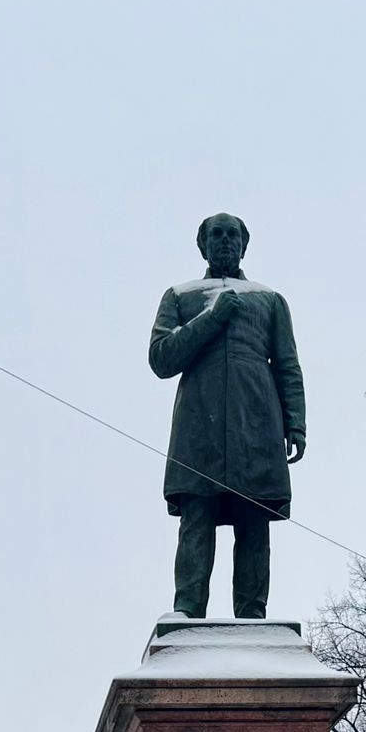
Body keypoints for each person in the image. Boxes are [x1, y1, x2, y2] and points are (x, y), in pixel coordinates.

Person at [148, 213, 306, 620]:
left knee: (254, 519)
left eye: (231, 234)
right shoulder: (182, 296)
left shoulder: (267, 299)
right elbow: (162, 359)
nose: (224, 241)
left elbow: (287, 365)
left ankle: (253, 616)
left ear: (244, 244)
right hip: (198, 426)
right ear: (202, 245)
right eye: (215, 235)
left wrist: (295, 422)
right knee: (197, 517)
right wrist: (212, 317)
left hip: (257, 423)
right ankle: (187, 611)